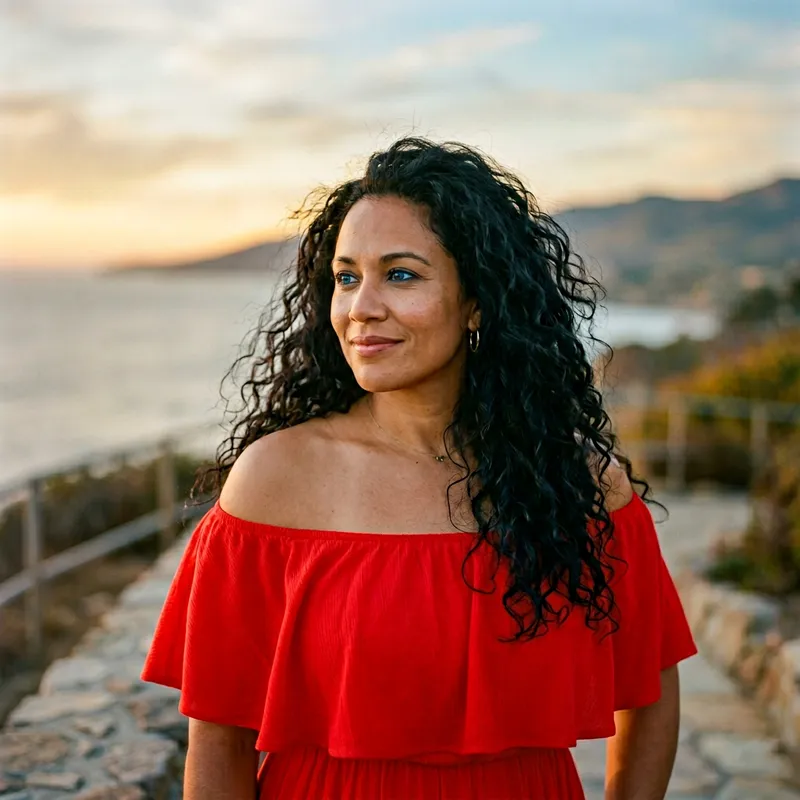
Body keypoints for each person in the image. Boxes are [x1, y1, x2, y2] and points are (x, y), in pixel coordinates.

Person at [141, 137, 697, 799]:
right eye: (347, 277)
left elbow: (652, 691)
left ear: (477, 301)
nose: (360, 307)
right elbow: (218, 738)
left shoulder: (575, 485)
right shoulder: (273, 480)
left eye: (400, 274)